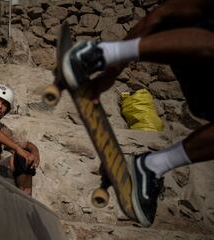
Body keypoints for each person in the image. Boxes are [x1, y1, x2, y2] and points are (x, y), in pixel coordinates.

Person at [63, 0, 214, 227]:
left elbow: (158, 15)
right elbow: (163, 13)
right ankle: (102, 52)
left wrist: (112, 71)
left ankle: (153, 165)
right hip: (192, 41)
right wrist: (111, 62)